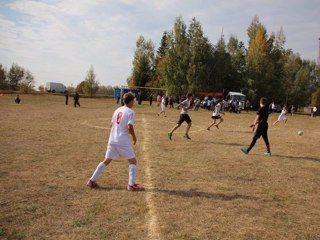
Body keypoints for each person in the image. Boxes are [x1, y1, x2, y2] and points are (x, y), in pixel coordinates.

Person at [87, 93, 145, 191]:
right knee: (133, 161)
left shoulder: (117, 110)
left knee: (107, 160)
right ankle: (131, 185)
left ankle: (92, 180)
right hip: (122, 140)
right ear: (130, 101)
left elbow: (111, 124)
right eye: (133, 100)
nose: (134, 102)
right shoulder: (130, 112)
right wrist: (134, 137)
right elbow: (130, 126)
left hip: (112, 139)